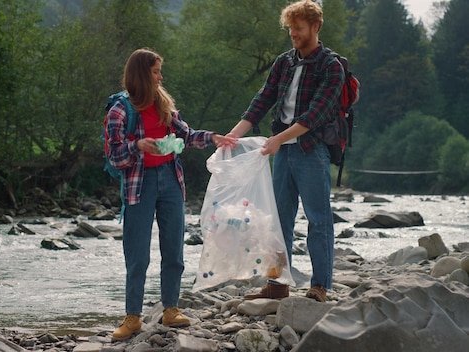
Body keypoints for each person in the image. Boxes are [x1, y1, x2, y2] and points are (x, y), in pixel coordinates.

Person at [104, 48, 236, 340]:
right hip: (139, 184)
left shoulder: (163, 103)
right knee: (137, 254)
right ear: (141, 74)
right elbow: (114, 157)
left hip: (171, 180)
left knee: (174, 247)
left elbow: (186, 135)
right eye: (155, 72)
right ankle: (132, 317)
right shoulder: (120, 111)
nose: (160, 77)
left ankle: (171, 309)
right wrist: (137, 146)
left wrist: (214, 138)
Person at [226, 0, 344, 303]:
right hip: (283, 152)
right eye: (290, 27)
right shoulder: (284, 62)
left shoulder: (331, 67)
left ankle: (320, 286)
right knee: (278, 221)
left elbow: (316, 113)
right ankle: (277, 285)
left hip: (311, 150)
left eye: (299, 28)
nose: (293, 33)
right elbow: (262, 99)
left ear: (315, 27)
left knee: (319, 219)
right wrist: (233, 135)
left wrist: (279, 138)